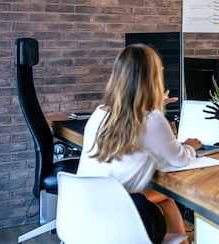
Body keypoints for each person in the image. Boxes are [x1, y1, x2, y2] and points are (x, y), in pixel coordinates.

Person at [77, 44, 203, 244]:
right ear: (154, 78)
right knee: (168, 200)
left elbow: (135, 130)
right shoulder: (152, 120)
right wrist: (189, 146)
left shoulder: (99, 112)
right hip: (120, 221)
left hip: (85, 213)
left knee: (166, 199)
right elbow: (179, 159)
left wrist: (154, 107)